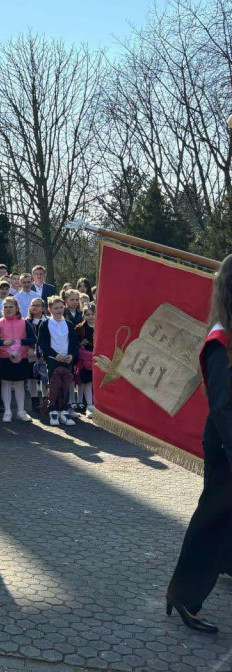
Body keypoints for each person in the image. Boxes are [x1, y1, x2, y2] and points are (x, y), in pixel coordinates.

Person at [166, 254, 232, 633]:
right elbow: (225, 407)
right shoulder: (221, 339)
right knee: (212, 519)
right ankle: (185, 595)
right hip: (226, 442)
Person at [0, 297, 35, 423]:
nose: (8, 309)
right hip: (4, 358)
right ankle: (7, 411)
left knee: (20, 384)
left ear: (17, 308)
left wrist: (21, 341)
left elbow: (33, 339)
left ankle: (21, 411)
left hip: (22, 357)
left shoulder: (24, 322)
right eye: (6, 307)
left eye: (11, 307)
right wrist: (3, 342)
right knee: (6, 384)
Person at [37, 296, 79, 427]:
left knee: (65, 386)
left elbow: (74, 344)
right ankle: (53, 410)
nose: (59, 310)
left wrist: (72, 355)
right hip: (52, 360)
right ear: (49, 309)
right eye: (55, 308)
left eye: (61, 307)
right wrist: (55, 355)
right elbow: (42, 344)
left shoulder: (69, 324)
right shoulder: (45, 324)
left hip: (67, 360)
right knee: (54, 385)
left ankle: (64, 410)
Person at [74, 304, 95, 414]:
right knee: (87, 382)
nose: (91, 317)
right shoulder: (80, 328)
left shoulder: (102, 326)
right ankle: (90, 407)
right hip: (86, 360)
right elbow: (74, 342)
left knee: (96, 383)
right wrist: (80, 343)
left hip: (98, 359)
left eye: (93, 314)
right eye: (87, 314)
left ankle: (97, 405)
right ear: (83, 316)